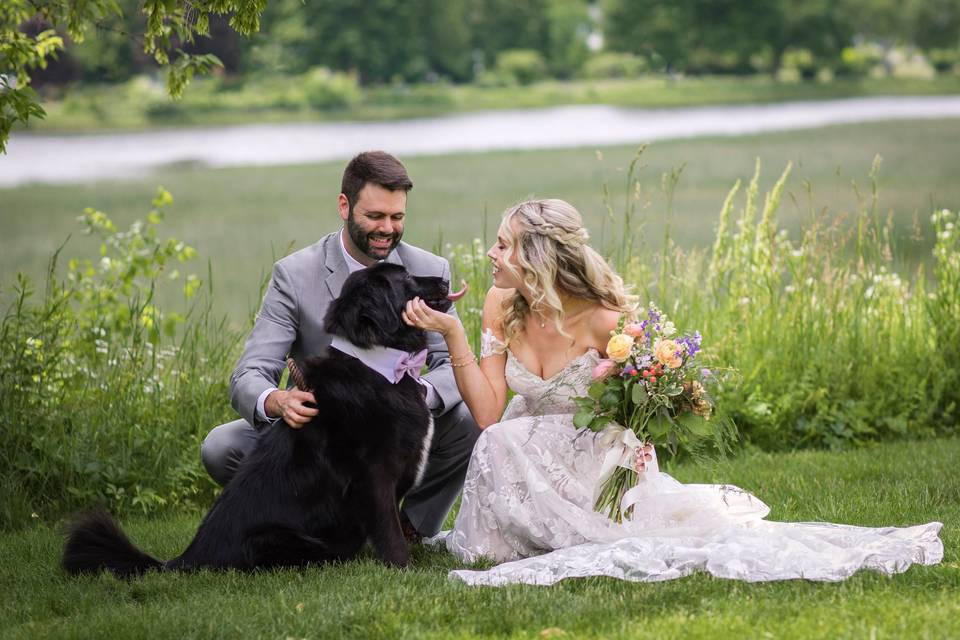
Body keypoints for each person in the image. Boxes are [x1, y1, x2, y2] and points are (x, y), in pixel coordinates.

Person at [402, 197, 943, 586]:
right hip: (525, 443)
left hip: (595, 453)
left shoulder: (602, 320)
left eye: (504, 245)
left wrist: (634, 404)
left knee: (511, 443)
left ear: (539, 257)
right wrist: (452, 331)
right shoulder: (501, 307)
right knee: (501, 438)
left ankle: (576, 527)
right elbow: (491, 414)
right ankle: (527, 532)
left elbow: (637, 408)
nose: (492, 253)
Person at [202, 151, 481, 540]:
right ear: (344, 206)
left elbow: (450, 363)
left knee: (468, 420)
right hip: (324, 435)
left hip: (397, 430)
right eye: (375, 216)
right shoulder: (295, 275)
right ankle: (315, 525)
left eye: (397, 217)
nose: (387, 228)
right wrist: (275, 400)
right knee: (221, 446)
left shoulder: (430, 269)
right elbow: (250, 372)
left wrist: (421, 395)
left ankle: (411, 527)